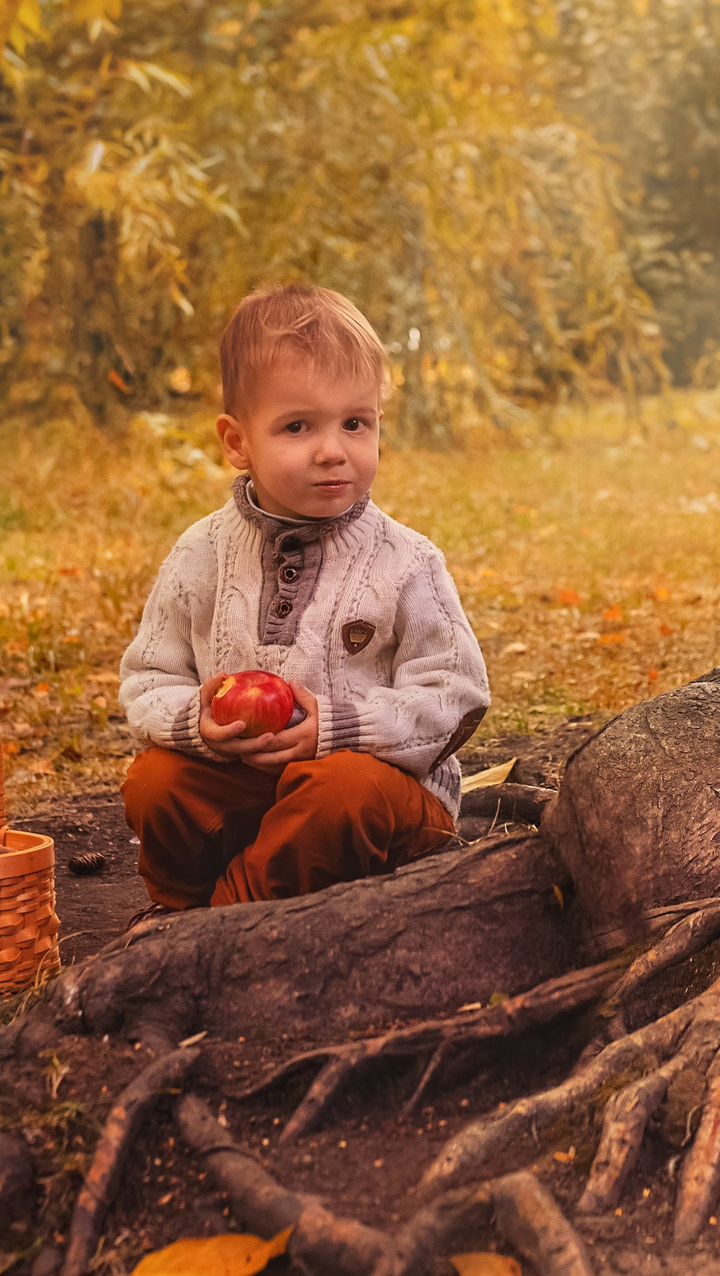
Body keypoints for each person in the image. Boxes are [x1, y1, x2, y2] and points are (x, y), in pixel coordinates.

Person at [116, 284, 487, 910]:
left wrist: (343, 729)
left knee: (341, 791)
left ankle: (218, 926)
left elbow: (456, 698)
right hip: (248, 791)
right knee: (154, 784)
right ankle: (181, 906)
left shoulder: (405, 561)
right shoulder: (201, 553)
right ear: (238, 443)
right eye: (297, 426)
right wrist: (198, 723)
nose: (332, 450)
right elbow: (148, 678)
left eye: (355, 423)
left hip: (378, 805)